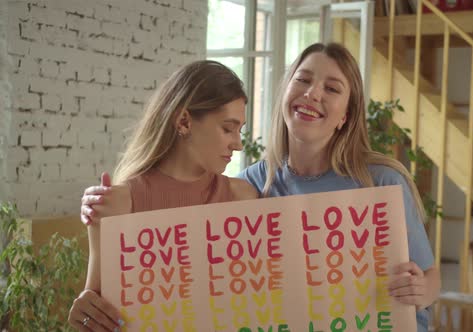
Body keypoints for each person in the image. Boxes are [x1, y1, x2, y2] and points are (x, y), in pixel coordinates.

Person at [79, 43, 440, 331]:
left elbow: (430, 279)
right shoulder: (253, 184)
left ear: (345, 115)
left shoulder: (381, 181)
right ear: (285, 91)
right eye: (303, 80)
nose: (313, 94)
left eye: (332, 88)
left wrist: (422, 291)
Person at [68, 60, 258, 332]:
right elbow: (95, 312)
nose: (238, 144)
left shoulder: (243, 199)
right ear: (184, 121)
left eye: (240, 130)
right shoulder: (117, 204)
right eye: (228, 128)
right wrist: (85, 314)